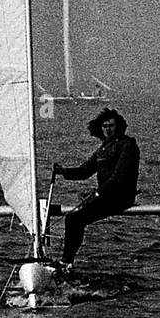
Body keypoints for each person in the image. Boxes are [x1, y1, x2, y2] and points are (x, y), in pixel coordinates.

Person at [51, 108, 140, 269]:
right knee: (73, 219)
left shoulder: (128, 145)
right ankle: (66, 262)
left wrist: (97, 193)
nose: (107, 129)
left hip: (121, 196)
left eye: (111, 125)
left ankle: (66, 262)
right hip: (106, 196)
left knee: (74, 219)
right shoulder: (104, 148)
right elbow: (85, 171)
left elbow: (119, 177)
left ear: (118, 126)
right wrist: (64, 171)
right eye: (104, 126)